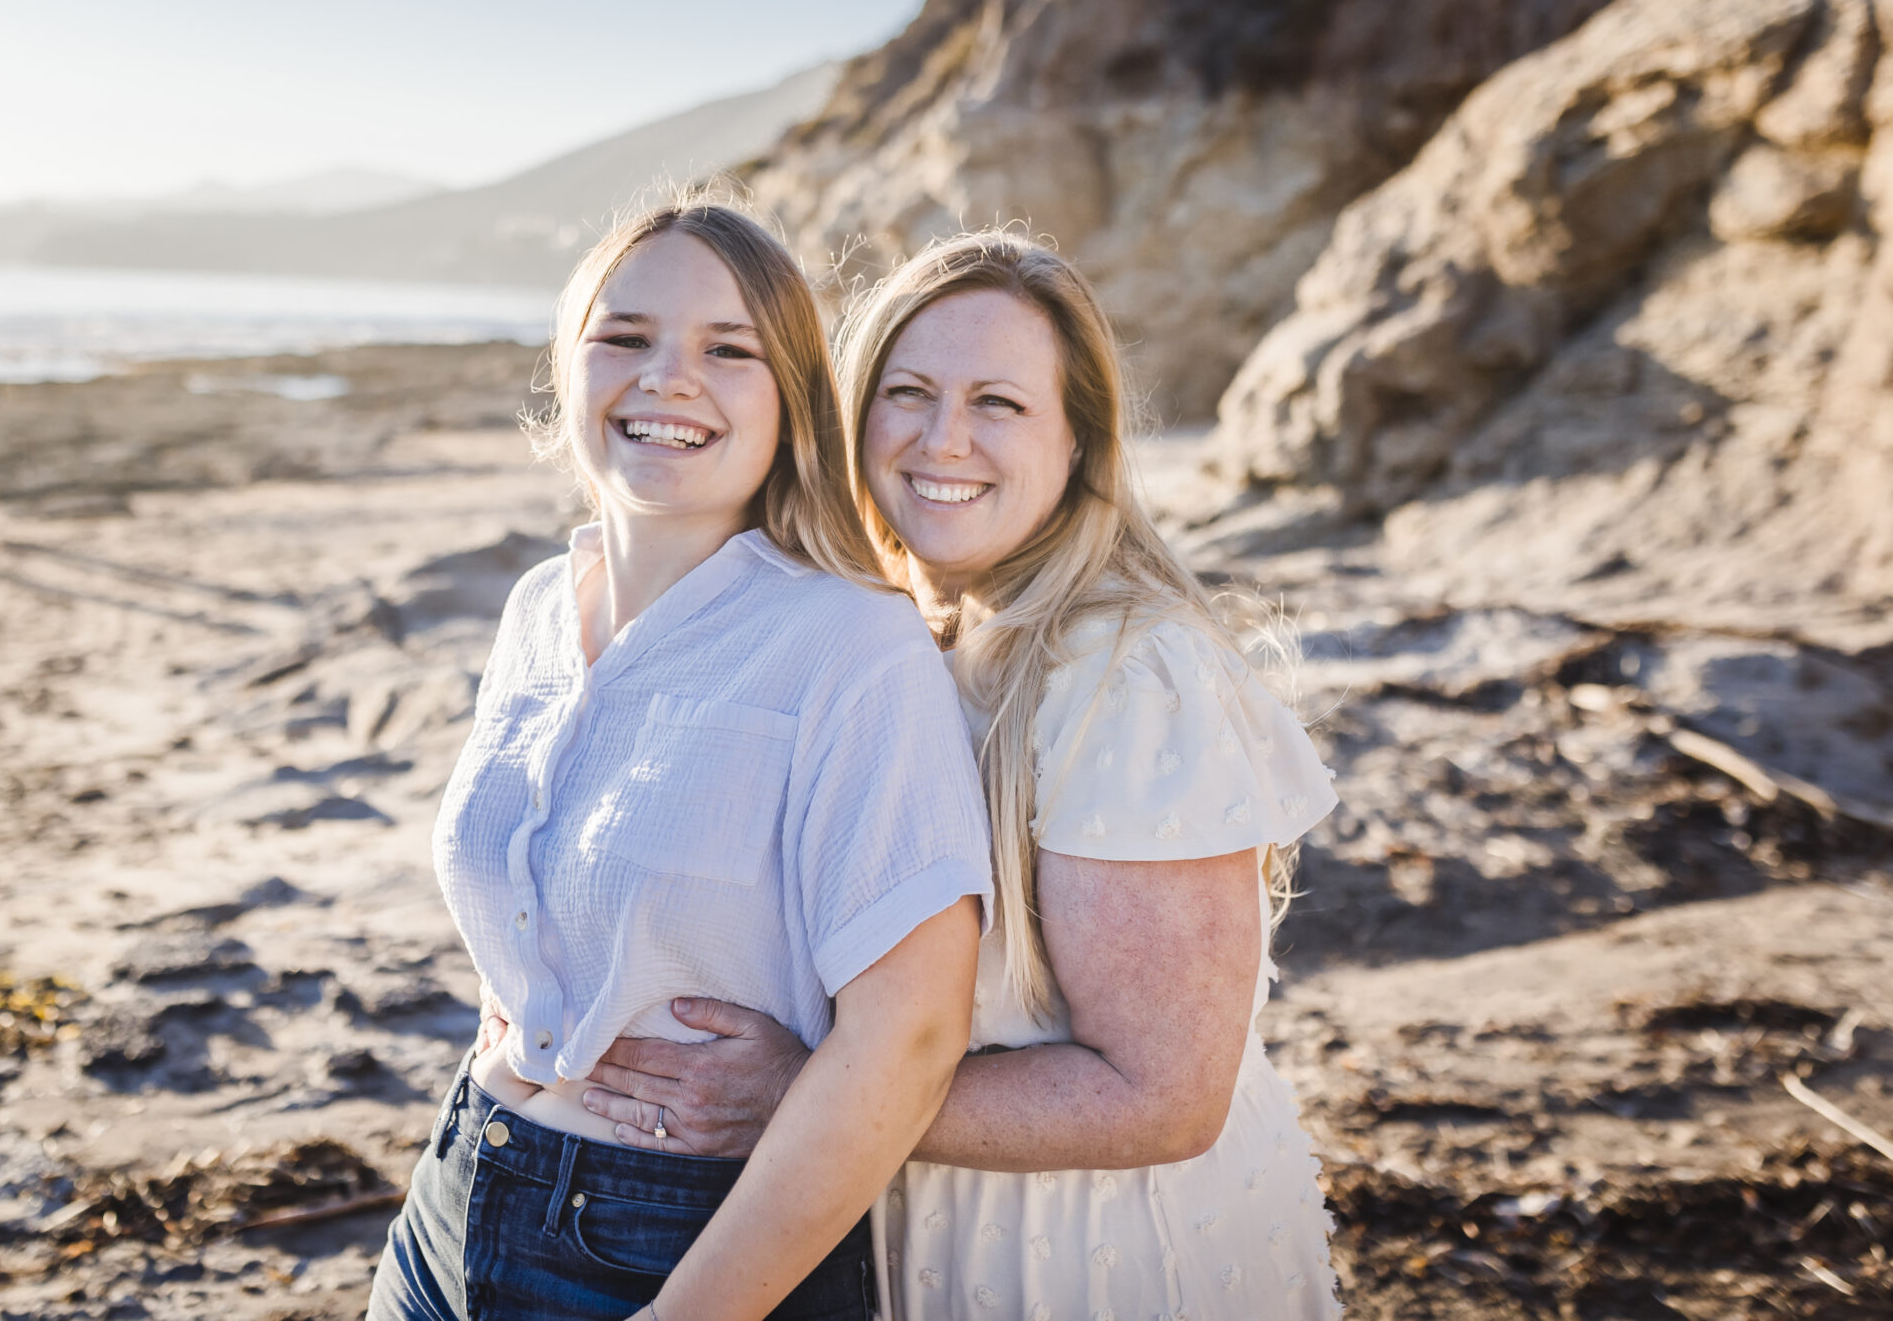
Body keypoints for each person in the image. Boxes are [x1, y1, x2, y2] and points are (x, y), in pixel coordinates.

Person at [576, 231, 1343, 1319]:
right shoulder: (900, 637)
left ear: (1078, 442)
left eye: (998, 404)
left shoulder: (1121, 669)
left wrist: (807, 1094)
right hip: (906, 1225)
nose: (944, 440)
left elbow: (1162, 1097)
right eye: (908, 391)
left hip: (1093, 1254)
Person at [368, 198, 995, 1321]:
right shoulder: (534, 610)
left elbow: (910, 1035)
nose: (667, 377)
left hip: (685, 1243)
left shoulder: (852, 646)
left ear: (791, 401)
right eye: (625, 337)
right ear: (570, 367)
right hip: (454, 1190)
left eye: (727, 349)